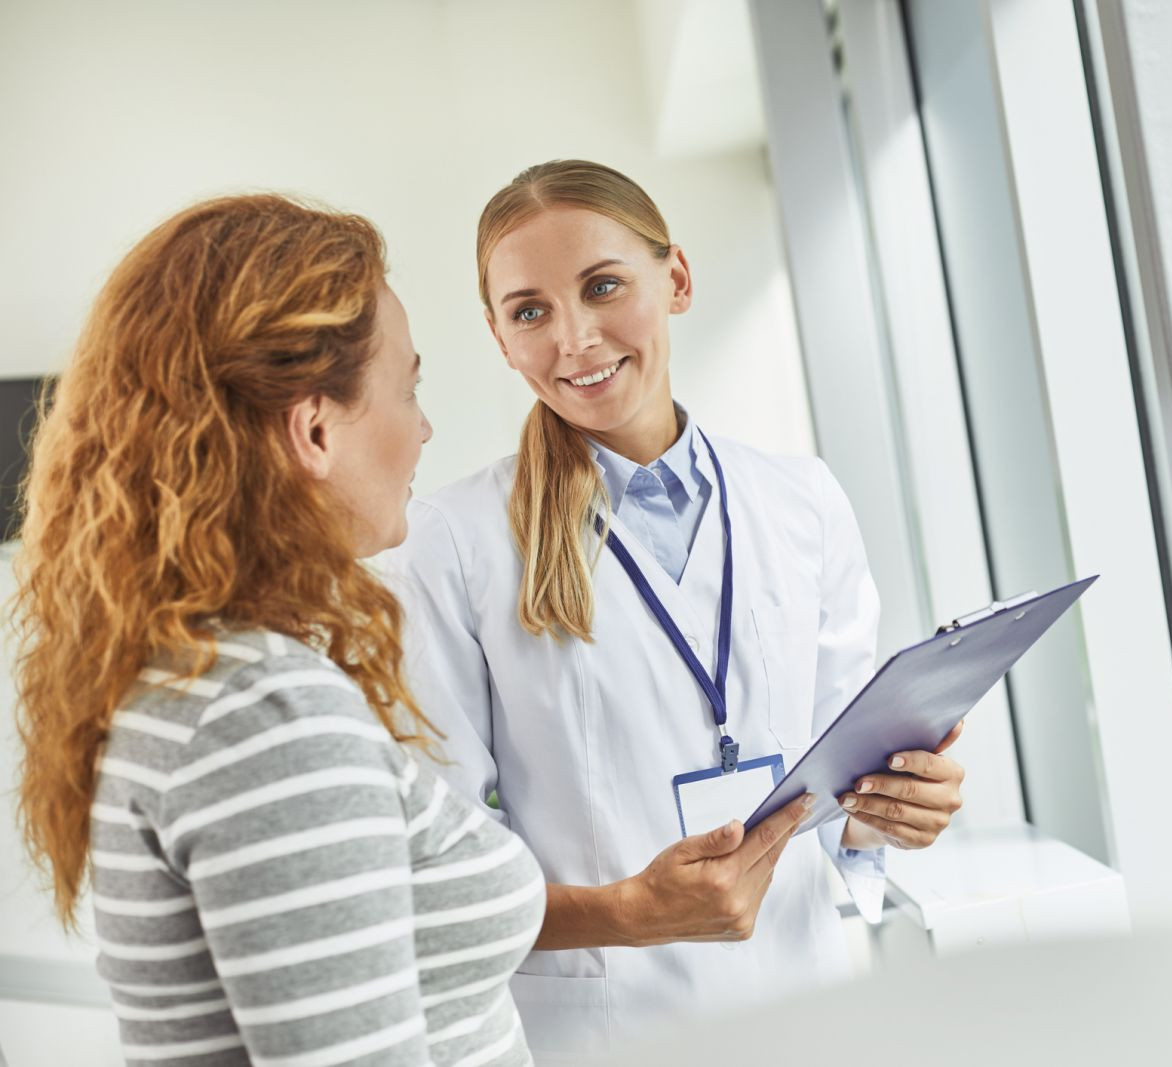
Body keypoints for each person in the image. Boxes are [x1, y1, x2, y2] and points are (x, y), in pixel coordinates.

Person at [382, 160, 966, 1058]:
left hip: (810, 1009)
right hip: (610, 1030)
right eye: (530, 310)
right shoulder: (450, 542)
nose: (575, 339)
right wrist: (626, 914)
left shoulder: (802, 502)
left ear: (677, 280)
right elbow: (443, 867)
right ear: (500, 338)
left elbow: (838, 780)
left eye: (603, 286)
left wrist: (895, 805)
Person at [12, 194, 545, 1065]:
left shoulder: (205, 680)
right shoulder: (263, 713)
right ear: (314, 427)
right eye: (407, 388)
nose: (424, 428)